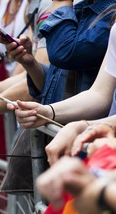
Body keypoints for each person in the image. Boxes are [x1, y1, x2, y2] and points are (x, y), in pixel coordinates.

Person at [6, 4, 116, 165]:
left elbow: (65, 53)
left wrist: (82, 127)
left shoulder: (102, 18)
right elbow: (99, 94)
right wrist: (46, 111)